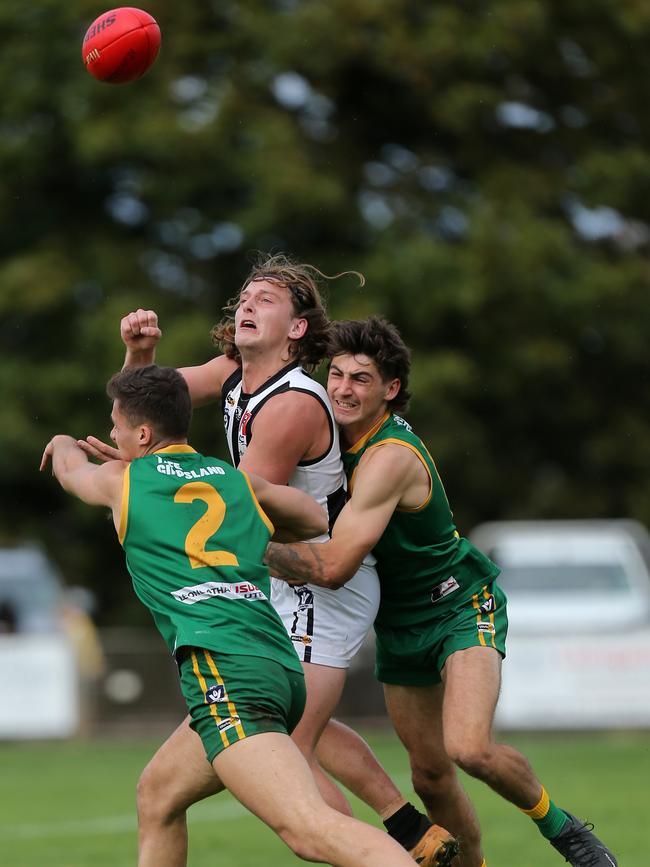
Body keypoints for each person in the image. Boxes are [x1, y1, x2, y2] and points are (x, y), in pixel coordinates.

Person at [81, 255, 457, 867]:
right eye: (245, 296)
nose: (247, 305)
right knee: (169, 788)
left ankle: (396, 849)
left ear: (298, 329)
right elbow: (144, 411)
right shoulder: (233, 369)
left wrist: (140, 484)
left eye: (266, 299)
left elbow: (233, 509)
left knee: (295, 772)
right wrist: (141, 358)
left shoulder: (291, 404)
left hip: (319, 584)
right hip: (271, 577)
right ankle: (408, 830)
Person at [264, 315, 619, 867]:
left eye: (361, 379)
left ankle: (563, 828)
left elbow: (333, 567)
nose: (342, 388)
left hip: (457, 605)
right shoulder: (325, 441)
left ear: (391, 389)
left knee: (469, 748)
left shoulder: (387, 458)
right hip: (398, 622)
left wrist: (242, 544)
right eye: (335, 375)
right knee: (430, 776)